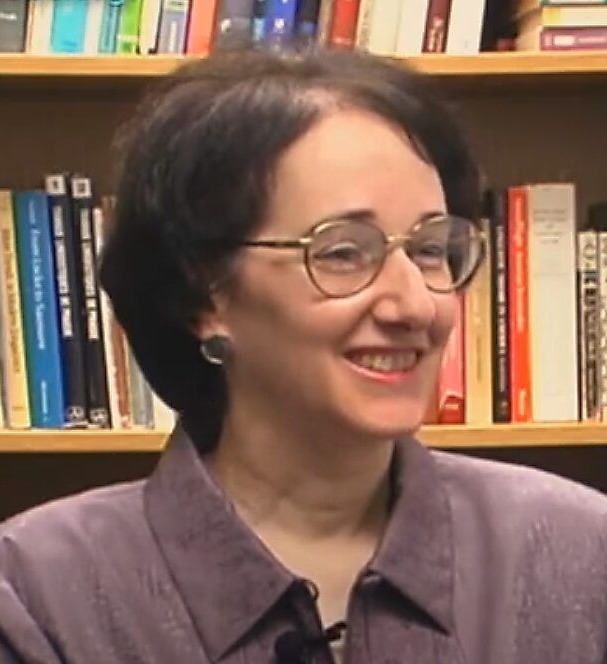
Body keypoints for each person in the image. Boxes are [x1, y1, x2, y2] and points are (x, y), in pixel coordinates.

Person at [1, 47, 606, 664]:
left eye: (430, 249)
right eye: (344, 252)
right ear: (203, 293)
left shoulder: (578, 554)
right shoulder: (38, 596)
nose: (414, 305)